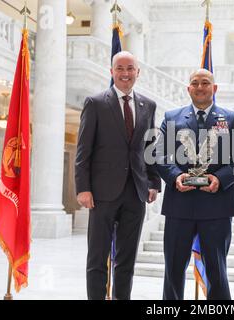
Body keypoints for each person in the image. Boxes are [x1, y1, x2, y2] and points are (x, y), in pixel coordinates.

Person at [155, 69, 234, 300]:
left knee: (217, 270)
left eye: (205, 83)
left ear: (214, 88)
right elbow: (158, 154)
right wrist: (175, 176)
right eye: (195, 83)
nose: (200, 87)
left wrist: (221, 178)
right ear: (188, 89)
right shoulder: (171, 118)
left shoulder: (231, 119)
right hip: (179, 205)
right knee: (174, 270)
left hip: (217, 206)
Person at [75, 51, 161, 300]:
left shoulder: (148, 105)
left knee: (126, 260)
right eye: (120, 68)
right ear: (111, 71)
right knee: (97, 258)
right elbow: (83, 150)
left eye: (130, 68)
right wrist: (83, 187)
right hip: (102, 193)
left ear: (138, 72)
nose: (125, 73)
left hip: (136, 192)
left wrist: (154, 182)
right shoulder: (96, 103)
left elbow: (149, 147)